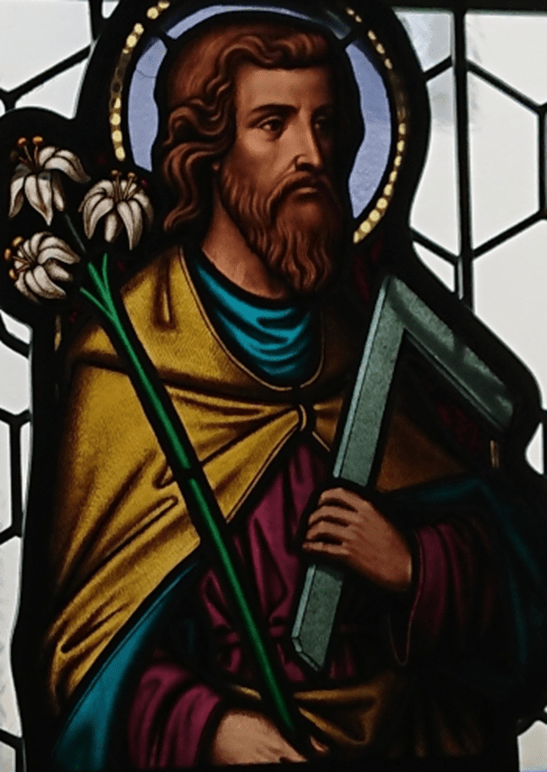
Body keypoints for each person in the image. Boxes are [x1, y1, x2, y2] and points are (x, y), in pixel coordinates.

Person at [44, 16, 547, 770]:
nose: (311, 154)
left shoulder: (371, 344)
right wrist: (207, 728)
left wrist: (415, 566)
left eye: (326, 124)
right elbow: (83, 653)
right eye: (273, 125)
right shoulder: (130, 358)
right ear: (205, 154)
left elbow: (516, 563)